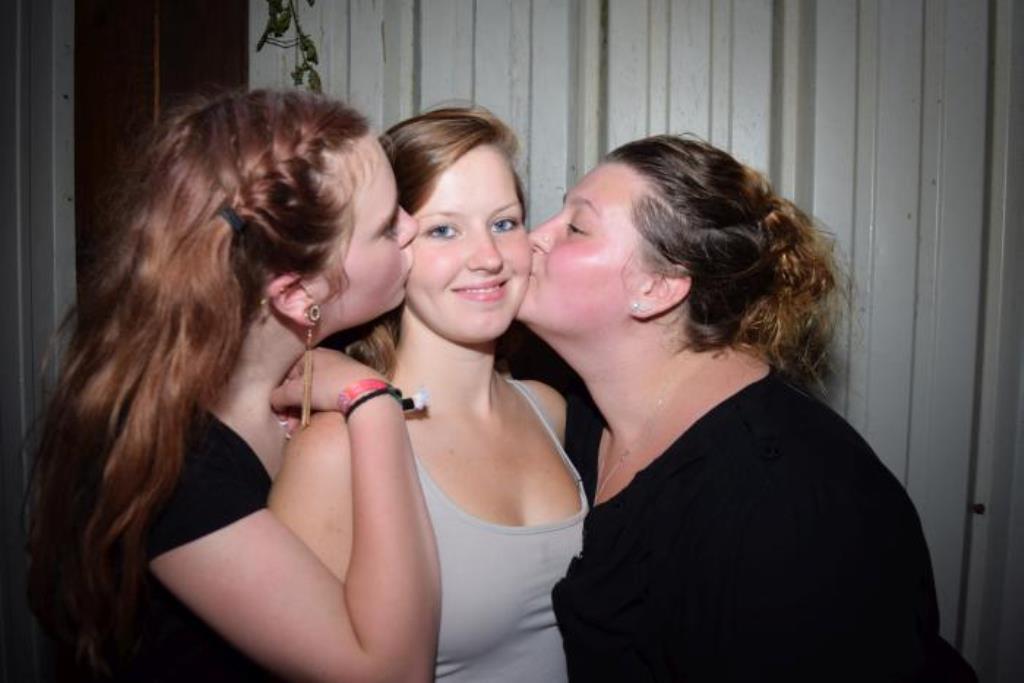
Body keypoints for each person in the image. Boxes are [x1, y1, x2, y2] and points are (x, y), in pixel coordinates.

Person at [518, 134, 976, 681]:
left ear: (658, 286)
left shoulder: (787, 510)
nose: (532, 237)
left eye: (576, 227)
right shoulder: (581, 420)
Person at [26, 89, 440, 682]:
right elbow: (394, 672)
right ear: (296, 295)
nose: (412, 226)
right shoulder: (177, 469)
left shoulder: (292, 384)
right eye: (385, 227)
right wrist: (373, 404)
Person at [271, 106, 587, 682]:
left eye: (504, 223)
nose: (488, 257)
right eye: (444, 230)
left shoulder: (551, 409)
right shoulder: (335, 450)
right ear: (392, 248)